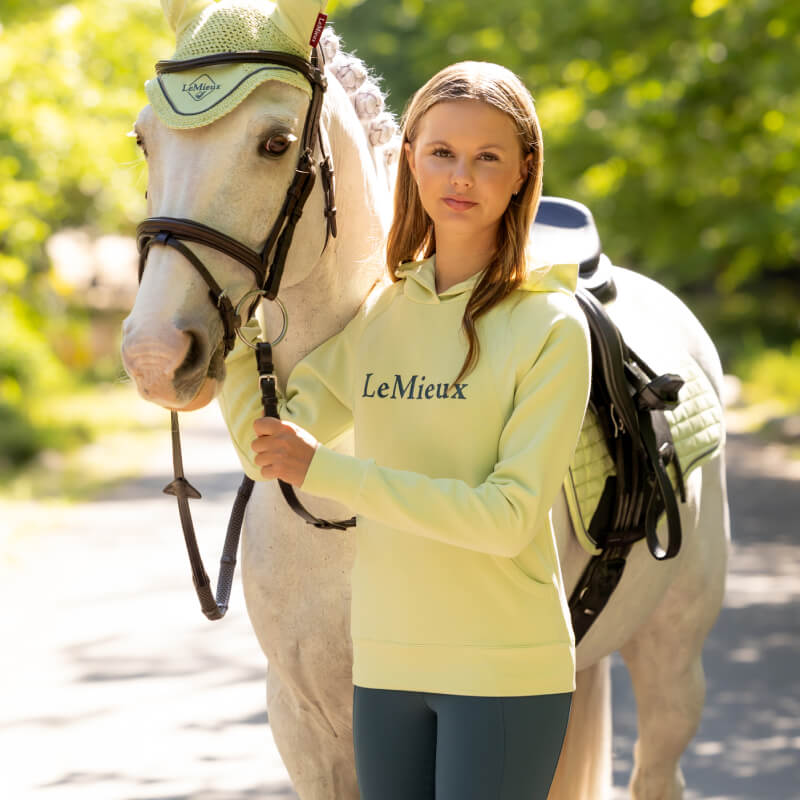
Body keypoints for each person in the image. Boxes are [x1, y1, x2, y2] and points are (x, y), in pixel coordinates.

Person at [220, 61, 591, 800]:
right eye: (442, 152)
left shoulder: (551, 327)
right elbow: (268, 446)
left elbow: (506, 518)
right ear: (411, 159)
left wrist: (327, 471)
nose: (462, 176)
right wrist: (233, 331)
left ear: (523, 173)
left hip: (502, 670)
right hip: (385, 667)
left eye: (488, 157)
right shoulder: (384, 314)